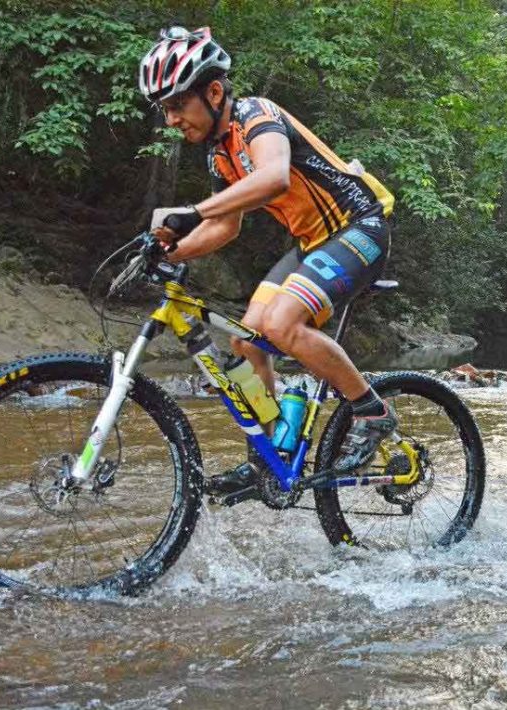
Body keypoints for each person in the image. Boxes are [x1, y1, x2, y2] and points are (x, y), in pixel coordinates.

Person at [138, 26, 397, 495]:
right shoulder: (221, 156)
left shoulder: (258, 114)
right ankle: (268, 458)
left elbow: (275, 176)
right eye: (165, 110)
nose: (172, 119)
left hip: (359, 228)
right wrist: (168, 249)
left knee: (280, 324)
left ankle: (372, 411)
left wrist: (189, 212)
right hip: (312, 243)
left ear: (213, 92)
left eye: (177, 105)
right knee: (248, 341)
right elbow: (225, 226)